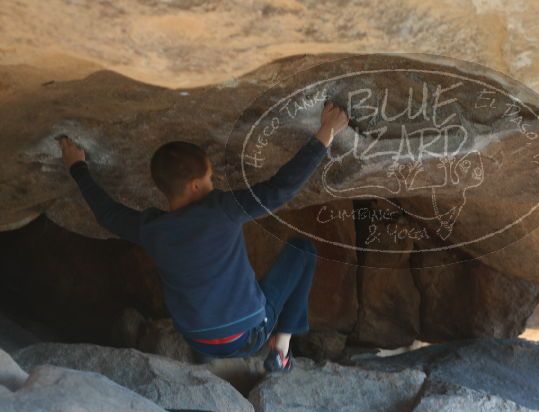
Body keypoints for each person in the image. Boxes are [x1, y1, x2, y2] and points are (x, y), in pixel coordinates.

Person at [57, 100, 350, 371]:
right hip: (250, 335)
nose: (214, 182)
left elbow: (107, 213)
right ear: (195, 185)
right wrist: (326, 131)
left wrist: (77, 167)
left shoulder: (151, 230)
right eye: (210, 178)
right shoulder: (221, 209)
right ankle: (282, 347)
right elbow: (279, 189)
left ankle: (247, 341)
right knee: (302, 249)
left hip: (195, 338)